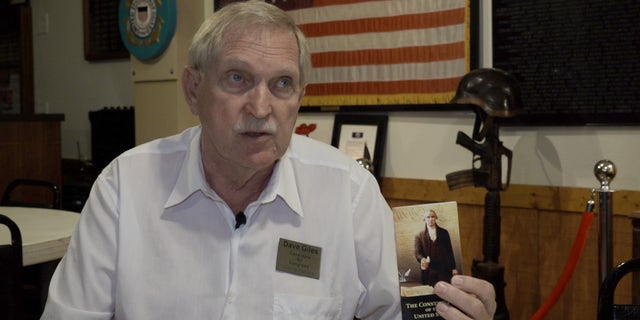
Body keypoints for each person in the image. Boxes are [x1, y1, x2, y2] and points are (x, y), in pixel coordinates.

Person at [41, 1, 495, 319]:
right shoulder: (125, 187)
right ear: (194, 90)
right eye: (238, 78)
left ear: (300, 97)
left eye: (281, 85)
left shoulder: (348, 193)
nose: (260, 108)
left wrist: (456, 313)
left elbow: (400, 313)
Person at [414, 209, 459, 286]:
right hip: (429, 270)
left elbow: (449, 251)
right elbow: (418, 253)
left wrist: (453, 268)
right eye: (428, 217)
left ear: (436, 218)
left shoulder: (444, 233)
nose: (431, 219)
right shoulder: (419, 236)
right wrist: (422, 259)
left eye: (433, 217)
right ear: (424, 219)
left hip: (444, 269)